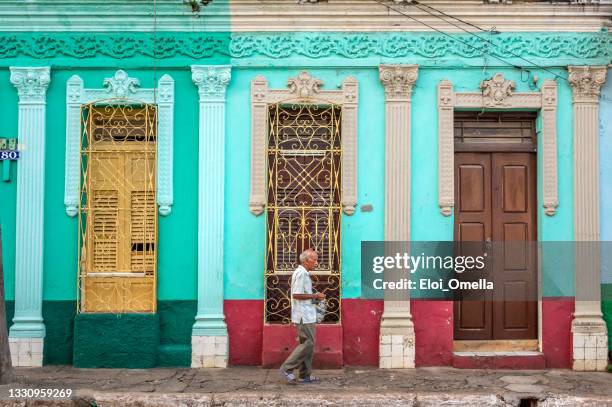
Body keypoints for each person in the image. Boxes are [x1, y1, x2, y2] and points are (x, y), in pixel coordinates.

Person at [279, 248, 325, 384]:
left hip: (307, 314)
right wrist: (315, 295)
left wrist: (315, 299)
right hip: (303, 316)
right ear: (306, 260)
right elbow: (296, 295)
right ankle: (286, 369)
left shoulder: (303, 273)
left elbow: (302, 295)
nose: (316, 262)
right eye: (314, 259)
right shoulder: (302, 274)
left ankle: (305, 375)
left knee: (308, 344)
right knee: (308, 343)